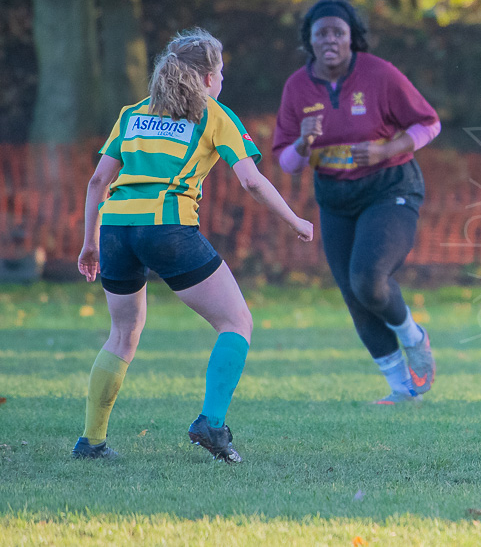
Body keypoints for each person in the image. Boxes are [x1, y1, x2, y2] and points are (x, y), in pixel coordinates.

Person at [73, 29, 315, 463]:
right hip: (166, 227)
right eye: (220, 72)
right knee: (237, 322)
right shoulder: (213, 115)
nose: (222, 80)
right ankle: (212, 423)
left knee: (122, 335)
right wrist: (295, 219)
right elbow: (251, 181)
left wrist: (90, 243)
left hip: (115, 229)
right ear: (206, 78)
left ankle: (91, 442)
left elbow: (97, 181)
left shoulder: (133, 114)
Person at [273, 0, 442, 405]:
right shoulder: (297, 87)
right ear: (309, 41)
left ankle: (413, 337)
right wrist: (303, 141)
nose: (329, 39)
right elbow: (287, 162)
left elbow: (430, 123)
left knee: (368, 278)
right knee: (354, 294)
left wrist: (387, 150)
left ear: (352, 39)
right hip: (335, 199)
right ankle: (402, 389)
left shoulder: (379, 74)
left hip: (390, 188)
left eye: (338, 32)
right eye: (321, 33)